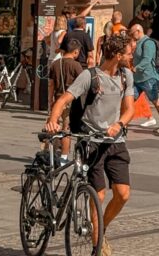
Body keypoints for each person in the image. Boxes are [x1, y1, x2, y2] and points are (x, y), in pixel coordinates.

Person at [46, 32, 135, 256]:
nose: (131, 56)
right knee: (99, 196)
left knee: (123, 194)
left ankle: (100, 230)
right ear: (116, 55)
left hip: (116, 141)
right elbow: (64, 99)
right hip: (91, 142)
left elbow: (130, 108)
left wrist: (119, 124)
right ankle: (98, 247)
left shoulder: (126, 75)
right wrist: (52, 120)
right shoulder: (90, 76)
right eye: (128, 53)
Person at [48, 37, 83, 162]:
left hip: (57, 100)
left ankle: (51, 153)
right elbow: (82, 83)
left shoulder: (55, 64)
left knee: (53, 126)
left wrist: (50, 100)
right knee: (66, 129)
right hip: (70, 101)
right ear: (75, 52)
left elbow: (51, 84)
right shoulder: (76, 65)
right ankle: (64, 156)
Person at [129, 23, 159, 130]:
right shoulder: (138, 42)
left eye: (132, 33)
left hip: (148, 78)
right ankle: (122, 122)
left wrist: (136, 68)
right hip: (137, 79)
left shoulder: (148, 43)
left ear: (138, 31)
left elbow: (147, 59)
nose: (132, 36)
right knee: (129, 98)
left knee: (155, 100)